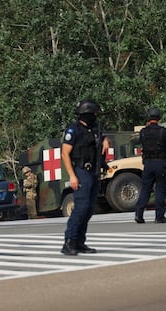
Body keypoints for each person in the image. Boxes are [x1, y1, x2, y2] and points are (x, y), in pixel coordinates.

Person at [61, 99, 109, 255]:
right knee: (81, 208)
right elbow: (65, 153)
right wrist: (72, 176)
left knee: (89, 209)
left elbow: (100, 143)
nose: (95, 116)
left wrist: (105, 140)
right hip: (81, 171)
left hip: (93, 172)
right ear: (86, 114)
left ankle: (79, 242)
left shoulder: (95, 130)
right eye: (93, 114)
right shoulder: (73, 130)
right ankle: (69, 241)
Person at [134, 107, 166, 224]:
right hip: (161, 163)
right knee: (160, 190)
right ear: (159, 118)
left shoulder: (143, 131)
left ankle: (139, 214)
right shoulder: (163, 131)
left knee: (145, 189)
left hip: (148, 163)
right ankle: (159, 216)